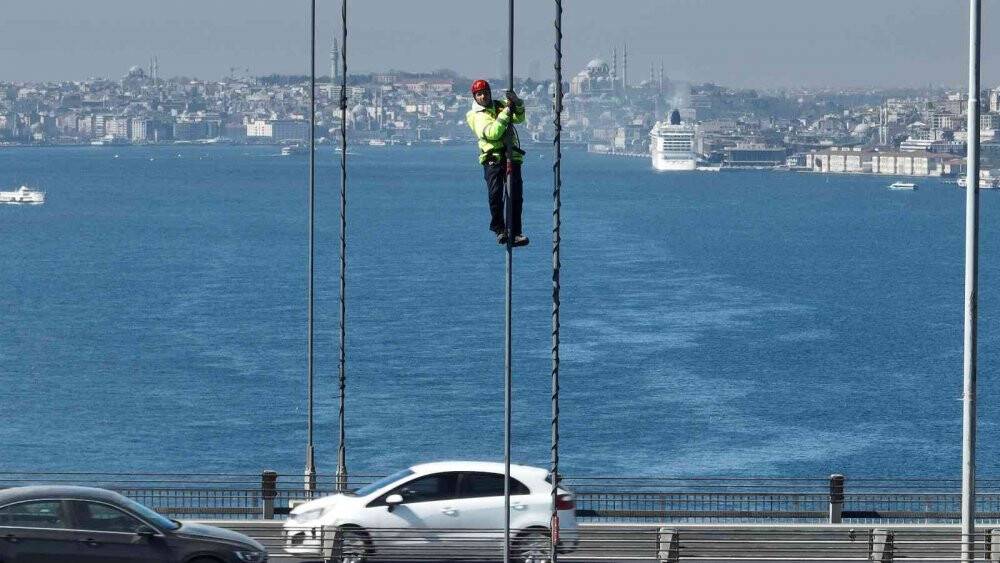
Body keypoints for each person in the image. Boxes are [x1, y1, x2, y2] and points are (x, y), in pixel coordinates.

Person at [466, 79, 529, 247]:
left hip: (511, 156)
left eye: (485, 93)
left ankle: (515, 232)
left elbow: (519, 118)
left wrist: (517, 103)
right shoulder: (475, 115)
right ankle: (499, 229)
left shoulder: (500, 105)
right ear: (474, 97)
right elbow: (492, 133)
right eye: (479, 94)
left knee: (515, 196)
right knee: (495, 194)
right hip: (493, 159)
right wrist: (507, 111)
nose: (483, 97)